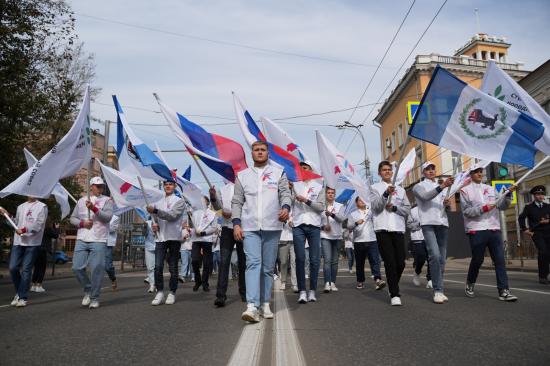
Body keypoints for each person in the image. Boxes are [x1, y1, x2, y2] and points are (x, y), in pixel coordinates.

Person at [232, 141, 291, 322]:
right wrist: (236, 224)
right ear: (252, 154)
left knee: (267, 268)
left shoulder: (278, 172)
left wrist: (286, 207)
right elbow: (237, 201)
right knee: (252, 264)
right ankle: (251, 306)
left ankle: (265, 303)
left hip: (272, 226)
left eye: (262, 150)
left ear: (268, 153)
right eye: (256, 150)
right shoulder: (242, 176)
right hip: (249, 227)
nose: (259, 152)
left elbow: (285, 194)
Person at [460, 164, 517, 301]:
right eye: (476, 172)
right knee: (478, 260)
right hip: (476, 229)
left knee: (499, 260)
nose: (480, 174)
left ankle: (504, 290)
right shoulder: (464, 191)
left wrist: (508, 195)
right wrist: (484, 208)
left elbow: (502, 206)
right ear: (471, 174)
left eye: (481, 171)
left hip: (493, 228)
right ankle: (470, 282)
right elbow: (467, 212)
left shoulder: (490, 189)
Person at [370, 161, 411, 306]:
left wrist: (394, 208)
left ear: (392, 172)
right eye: (384, 170)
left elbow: (407, 209)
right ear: (379, 173)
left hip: (398, 229)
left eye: (389, 170)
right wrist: (386, 193)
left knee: (400, 262)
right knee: (390, 262)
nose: (387, 172)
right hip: (383, 229)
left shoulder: (401, 190)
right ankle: (394, 293)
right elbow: (376, 207)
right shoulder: (375, 188)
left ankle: (393, 284)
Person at [412, 161, 453, 304]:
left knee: (441, 259)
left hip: (442, 223)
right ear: (423, 172)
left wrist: (447, 205)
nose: (431, 171)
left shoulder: (441, 185)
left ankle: (440, 289)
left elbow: (445, 207)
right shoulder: (419, 186)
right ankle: (437, 290)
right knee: (434, 255)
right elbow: (425, 197)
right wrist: (443, 186)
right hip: (428, 224)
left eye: (433, 168)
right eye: (427, 169)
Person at [70, 177, 114, 309]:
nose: (100, 188)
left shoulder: (107, 200)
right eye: (97, 186)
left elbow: (107, 218)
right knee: (76, 268)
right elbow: (73, 218)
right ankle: (88, 289)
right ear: (91, 187)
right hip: (82, 238)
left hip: (99, 239)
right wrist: (82, 223)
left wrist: (94, 208)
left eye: (102, 186)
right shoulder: (81, 200)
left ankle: (94, 298)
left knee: (96, 269)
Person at [1, 197, 47, 307]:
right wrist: (7, 215)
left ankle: (22, 297)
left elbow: (38, 225)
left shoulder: (42, 206)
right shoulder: (20, 207)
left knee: (26, 269)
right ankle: (19, 292)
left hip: (32, 243)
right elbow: (15, 223)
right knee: (13, 268)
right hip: (18, 242)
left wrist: (24, 230)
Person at [147, 180, 186, 306]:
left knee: (173, 267)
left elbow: (172, 216)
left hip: (174, 237)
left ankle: (172, 292)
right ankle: (159, 292)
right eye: (166, 184)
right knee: (158, 266)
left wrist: (156, 211)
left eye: (170, 184)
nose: (168, 186)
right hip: (160, 238)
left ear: (174, 186)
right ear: (164, 187)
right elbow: (155, 220)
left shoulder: (179, 201)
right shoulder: (158, 202)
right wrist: (154, 225)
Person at [292, 161, 325, 304]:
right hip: (298, 225)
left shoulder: (318, 187)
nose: (303, 170)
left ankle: (312, 290)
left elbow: (321, 207)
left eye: (305, 168)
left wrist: (306, 200)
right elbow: (287, 201)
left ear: (311, 170)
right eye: (300, 168)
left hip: (314, 225)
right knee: (299, 258)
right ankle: (302, 291)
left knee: (315, 259)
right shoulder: (293, 185)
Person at [210, 182, 247, 307]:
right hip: (226, 228)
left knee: (243, 262)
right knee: (224, 261)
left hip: (242, 227)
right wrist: (213, 197)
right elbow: (217, 208)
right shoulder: (222, 188)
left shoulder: (245, 185)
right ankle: (221, 296)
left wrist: (236, 214)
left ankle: (244, 292)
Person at [348, 196, 386, 291]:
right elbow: (349, 226)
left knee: (374, 260)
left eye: (363, 199)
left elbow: (378, 219)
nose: (362, 201)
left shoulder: (371, 212)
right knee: (360, 263)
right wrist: (356, 223)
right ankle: (360, 281)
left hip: (372, 239)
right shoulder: (353, 214)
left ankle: (377, 279)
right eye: (360, 200)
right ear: (356, 203)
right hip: (358, 241)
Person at [518, 185, 550, 284]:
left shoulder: (548, 206)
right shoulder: (529, 207)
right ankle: (542, 276)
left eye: (542, 194)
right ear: (534, 196)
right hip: (537, 233)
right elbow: (521, 218)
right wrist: (525, 229)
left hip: (548, 232)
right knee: (543, 251)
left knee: (548, 253)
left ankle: (546, 272)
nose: (540, 196)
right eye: (538, 194)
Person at [189, 196, 218, 292]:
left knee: (206, 263)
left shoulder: (212, 214)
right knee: (194, 261)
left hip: (207, 239)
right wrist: (189, 217)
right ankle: (198, 281)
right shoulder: (193, 212)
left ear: (207, 202)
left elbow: (214, 228)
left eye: (203, 200)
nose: (200, 202)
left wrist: (203, 233)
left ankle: (205, 283)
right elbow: (190, 225)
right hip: (196, 240)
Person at [320, 187, 345, 293]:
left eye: (332, 193)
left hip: (337, 236)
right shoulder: (321, 206)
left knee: (334, 261)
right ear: (325, 194)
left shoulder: (339, 206)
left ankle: (333, 282)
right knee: (327, 260)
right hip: (325, 236)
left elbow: (342, 219)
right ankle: (327, 282)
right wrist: (323, 227)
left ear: (335, 194)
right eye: (328, 193)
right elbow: (317, 222)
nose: (330, 194)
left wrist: (332, 215)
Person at [30, 219, 59, 293]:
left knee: (36, 267)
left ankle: (33, 285)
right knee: (42, 268)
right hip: (43, 249)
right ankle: (39, 285)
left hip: (36, 248)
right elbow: (55, 235)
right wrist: (57, 228)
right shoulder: (47, 228)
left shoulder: (37, 227)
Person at [407, 205, 432, 289]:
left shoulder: (430, 209)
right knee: (421, 258)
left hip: (430, 237)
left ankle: (430, 279)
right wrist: (419, 224)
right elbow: (409, 225)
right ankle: (417, 272)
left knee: (431, 258)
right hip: (417, 238)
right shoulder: (413, 211)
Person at [278, 212, 297, 291]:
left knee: (294, 262)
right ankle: (283, 282)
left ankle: (294, 284)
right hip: (283, 239)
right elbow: (276, 223)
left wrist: (293, 224)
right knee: (283, 262)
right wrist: (284, 221)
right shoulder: (281, 209)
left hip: (294, 239)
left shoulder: (296, 207)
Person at [105, 214, 119, 290]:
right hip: (97, 242)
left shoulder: (115, 218)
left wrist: (103, 222)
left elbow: (112, 229)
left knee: (108, 267)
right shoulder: (96, 215)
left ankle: (113, 278)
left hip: (108, 244)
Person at [143, 216, 156, 293]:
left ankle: (158, 284)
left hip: (159, 246)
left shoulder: (161, 222)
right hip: (149, 247)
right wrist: (144, 227)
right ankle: (152, 285)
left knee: (157, 267)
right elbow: (144, 234)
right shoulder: (147, 223)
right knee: (150, 267)